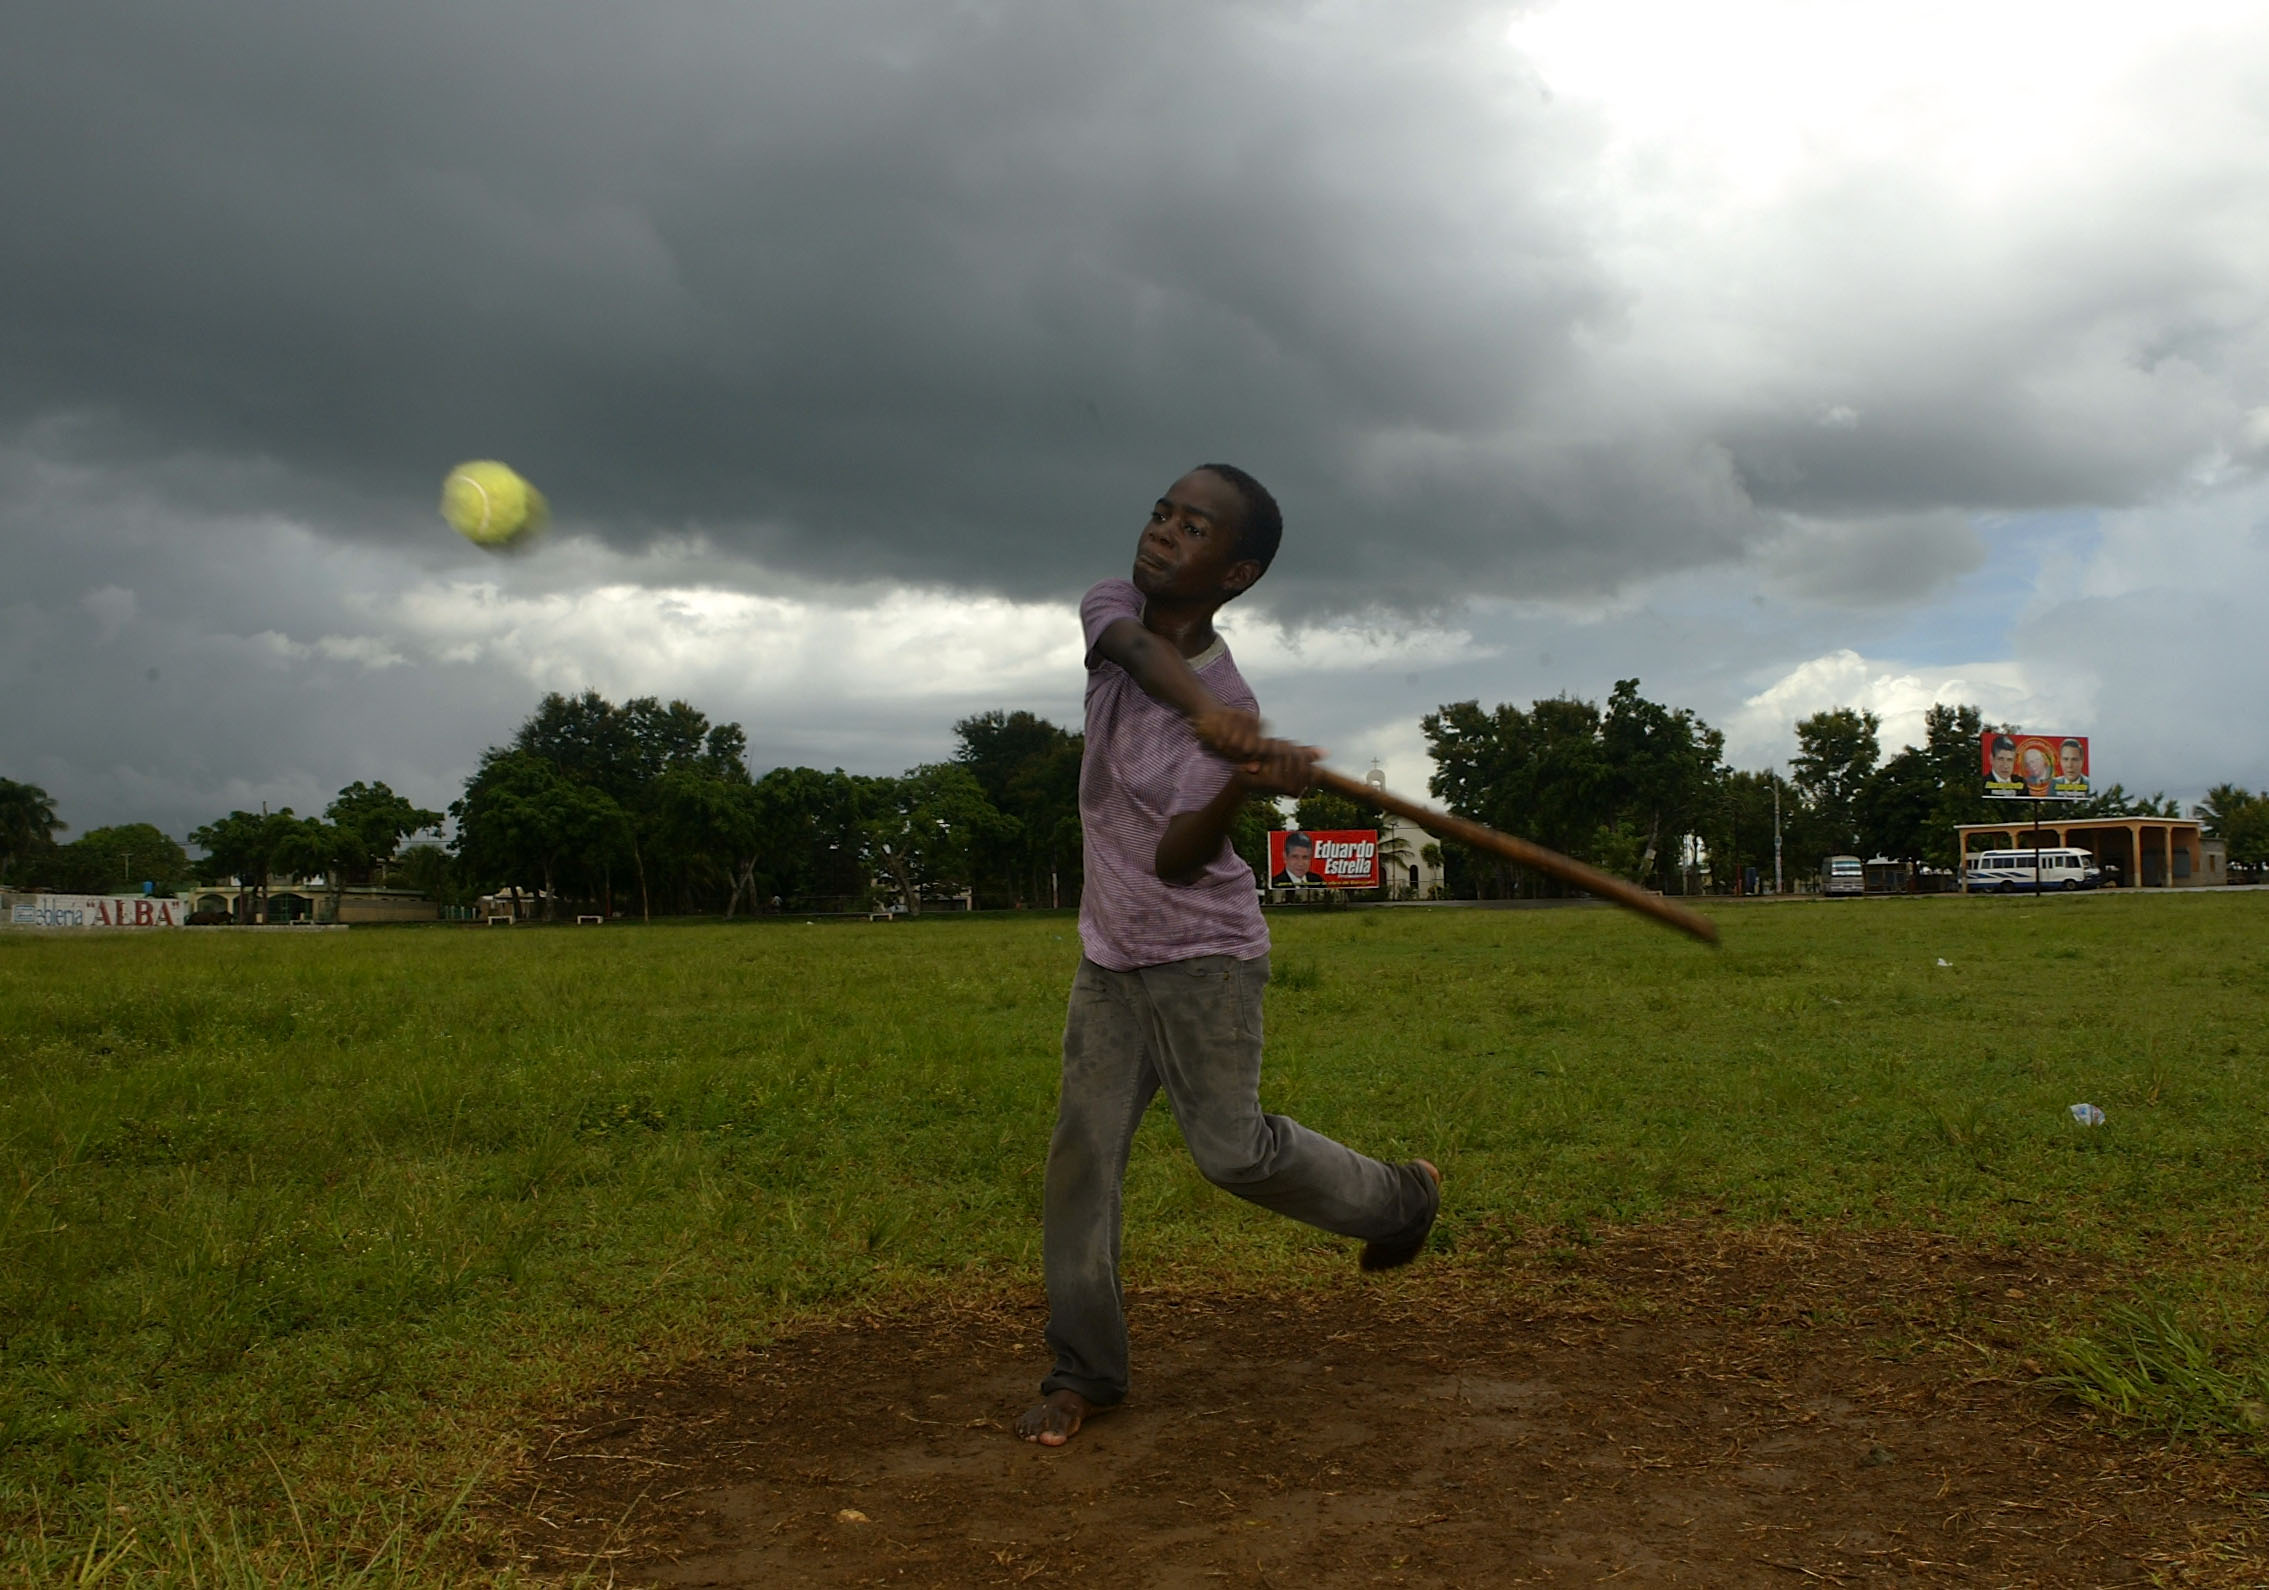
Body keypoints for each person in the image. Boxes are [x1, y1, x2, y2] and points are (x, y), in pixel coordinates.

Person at [1016, 464, 1441, 1449]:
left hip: (1203, 957)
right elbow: (1130, 651)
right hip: (1110, 961)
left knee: (1232, 1154)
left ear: (1236, 570)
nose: (1163, 532)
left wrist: (1239, 778)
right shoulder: (1111, 606)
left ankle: (1400, 1197)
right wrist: (1207, 716)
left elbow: (1176, 857)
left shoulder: (1232, 703)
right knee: (1081, 1159)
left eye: (1192, 527)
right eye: (1162, 512)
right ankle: (1086, 1370)